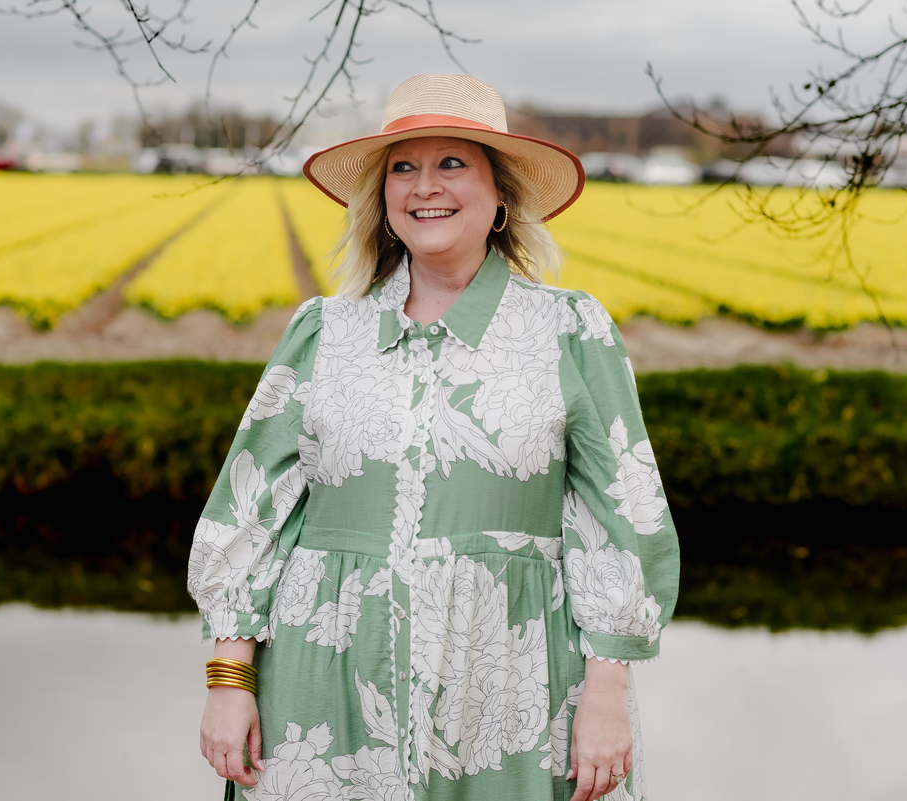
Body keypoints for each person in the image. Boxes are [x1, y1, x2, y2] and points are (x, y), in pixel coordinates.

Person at [189, 74, 680, 801]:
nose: (426, 186)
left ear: (501, 196)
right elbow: (251, 508)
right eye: (404, 167)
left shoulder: (569, 332)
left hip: (510, 689)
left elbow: (623, 509)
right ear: (383, 202)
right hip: (323, 686)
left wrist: (607, 689)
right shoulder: (325, 331)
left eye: (453, 163)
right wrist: (230, 682)